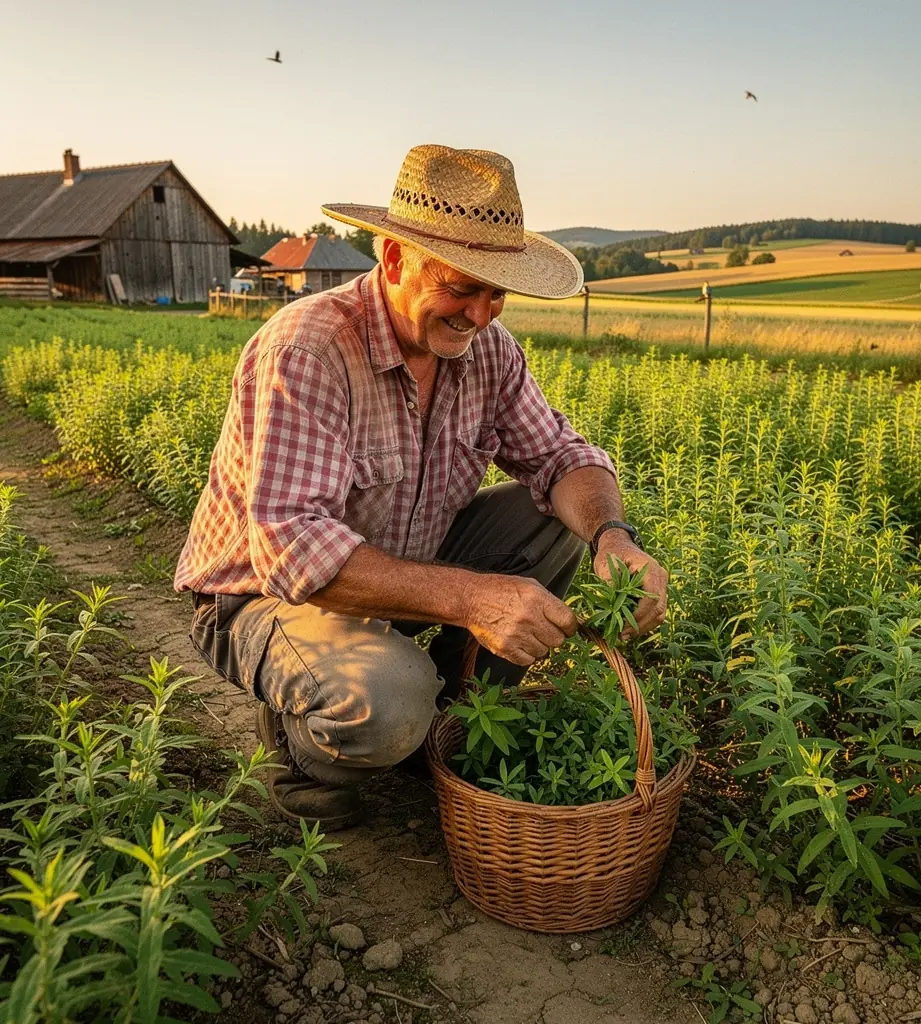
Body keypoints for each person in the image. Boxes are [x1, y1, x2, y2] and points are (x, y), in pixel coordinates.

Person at [175, 144, 669, 830]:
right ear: (395, 260)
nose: (482, 312)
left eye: (497, 291)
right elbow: (293, 551)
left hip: (397, 568)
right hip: (263, 599)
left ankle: (454, 723)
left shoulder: (488, 351)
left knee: (564, 519)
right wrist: (475, 598)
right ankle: (302, 748)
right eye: (462, 286)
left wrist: (616, 539)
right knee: (389, 700)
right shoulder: (310, 349)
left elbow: (560, 455)